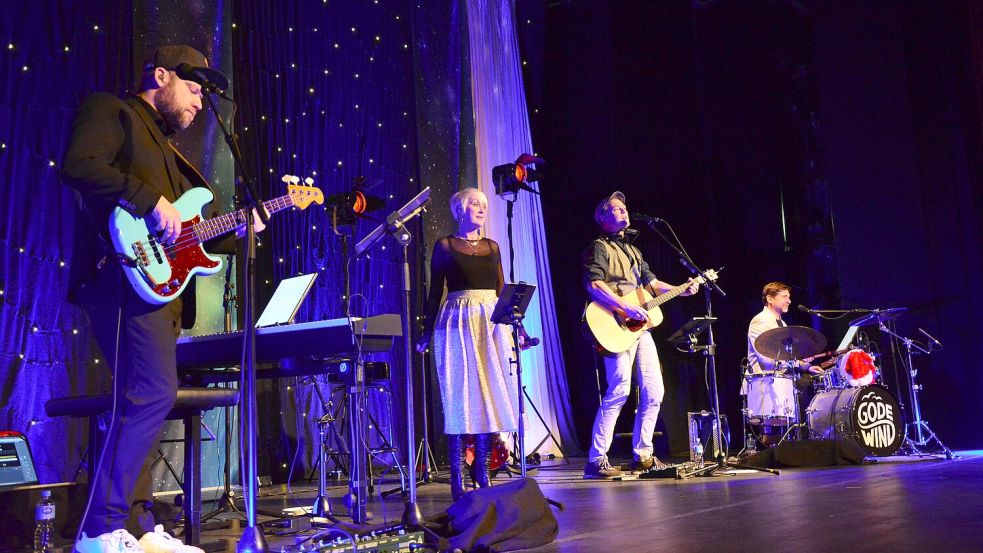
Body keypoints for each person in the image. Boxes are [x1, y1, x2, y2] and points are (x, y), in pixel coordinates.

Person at [62, 45, 264, 553]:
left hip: (160, 289)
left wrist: (243, 227)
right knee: (151, 394)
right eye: (194, 90)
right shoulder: (112, 110)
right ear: (160, 76)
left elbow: (189, 235)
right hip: (120, 274)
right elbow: (79, 166)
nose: (199, 103)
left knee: (147, 399)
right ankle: (98, 528)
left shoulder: (171, 153)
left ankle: (136, 525)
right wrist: (147, 199)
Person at [582, 192, 699, 479]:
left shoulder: (634, 251)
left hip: (639, 329)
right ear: (603, 217)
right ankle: (596, 461)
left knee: (654, 390)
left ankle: (643, 455)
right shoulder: (598, 247)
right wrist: (625, 308)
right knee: (620, 389)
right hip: (613, 322)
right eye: (617, 209)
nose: (624, 212)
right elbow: (594, 285)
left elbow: (653, 283)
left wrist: (681, 289)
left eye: (625, 208)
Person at [416, 188, 519, 500]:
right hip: (457, 322)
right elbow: (435, 292)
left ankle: (483, 472)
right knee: (460, 397)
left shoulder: (492, 246)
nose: (481, 209)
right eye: (474, 204)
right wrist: (425, 331)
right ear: (459, 211)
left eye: (484, 205)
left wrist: (518, 329)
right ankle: (458, 477)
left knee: (488, 396)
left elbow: (502, 289)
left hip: (491, 323)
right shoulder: (445, 245)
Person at [746, 282, 820, 441]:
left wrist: (807, 366)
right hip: (766, 383)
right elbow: (767, 360)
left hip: (782, 381)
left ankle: (804, 437)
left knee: (810, 381)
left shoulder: (782, 323)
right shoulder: (761, 321)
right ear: (770, 299)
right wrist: (795, 362)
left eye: (789, 297)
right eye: (785, 297)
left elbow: (788, 357)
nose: (789, 301)